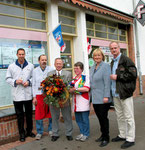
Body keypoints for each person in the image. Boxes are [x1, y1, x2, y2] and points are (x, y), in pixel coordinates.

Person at [109, 41, 137, 149]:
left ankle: (130, 138)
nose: (114, 50)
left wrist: (118, 77)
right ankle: (122, 134)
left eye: (115, 48)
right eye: (112, 48)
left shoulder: (126, 60)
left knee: (128, 117)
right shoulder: (112, 62)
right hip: (116, 94)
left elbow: (133, 74)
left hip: (125, 93)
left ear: (119, 48)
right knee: (119, 116)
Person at [6, 48, 35, 142]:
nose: (21, 56)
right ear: (17, 55)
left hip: (27, 95)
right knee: (20, 116)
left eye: (23, 54)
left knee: (29, 114)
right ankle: (21, 134)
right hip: (17, 95)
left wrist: (29, 82)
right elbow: (7, 79)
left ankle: (29, 131)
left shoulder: (30, 66)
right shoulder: (11, 66)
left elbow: (34, 78)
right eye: (20, 54)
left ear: (25, 55)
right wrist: (15, 81)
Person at [47, 58, 73, 142]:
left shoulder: (68, 73)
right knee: (54, 117)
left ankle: (69, 133)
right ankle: (55, 134)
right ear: (54, 64)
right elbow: (47, 86)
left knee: (67, 117)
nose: (58, 65)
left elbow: (70, 86)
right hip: (54, 100)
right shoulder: (50, 74)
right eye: (57, 63)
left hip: (65, 99)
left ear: (62, 64)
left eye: (60, 63)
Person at [90, 48, 111, 147]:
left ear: (102, 56)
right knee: (99, 118)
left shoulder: (106, 66)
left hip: (103, 98)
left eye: (99, 55)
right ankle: (103, 135)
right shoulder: (92, 67)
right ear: (93, 57)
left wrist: (106, 96)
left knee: (103, 118)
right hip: (95, 98)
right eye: (95, 55)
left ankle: (106, 137)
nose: (97, 57)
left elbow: (107, 82)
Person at [32, 54, 54, 140]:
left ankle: (51, 129)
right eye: (42, 60)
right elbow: (33, 84)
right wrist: (34, 97)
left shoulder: (51, 69)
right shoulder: (35, 71)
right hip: (39, 95)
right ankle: (39, 132)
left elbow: (53, 82)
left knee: (50, 112)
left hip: (49, 94)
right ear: (39, 61)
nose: (44, 61)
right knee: (39, 114)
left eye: (45, 60)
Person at [69, 62, 90, 142]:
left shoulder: (85, 77)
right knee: (78, 119)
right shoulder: (73, 78)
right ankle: (81, 132)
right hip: (75, 102)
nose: (75, 70)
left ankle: (86, 134)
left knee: (85, 119)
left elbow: (86, 89)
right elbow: (70, 88)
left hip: (83, 101)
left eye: (77, 68)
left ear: (81, 69)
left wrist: (75, 89)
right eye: (74, 68)